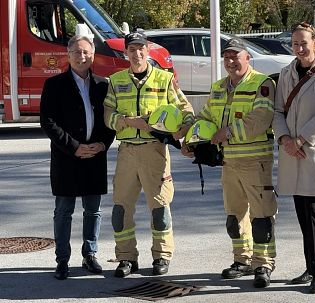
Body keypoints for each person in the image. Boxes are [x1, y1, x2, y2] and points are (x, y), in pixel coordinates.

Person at [182, 38, 277, 288]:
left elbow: (261, 118)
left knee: (262, 216)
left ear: (248, 58)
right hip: (229, 162)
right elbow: (205, 116)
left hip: (255, 160)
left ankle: (263, 263)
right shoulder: (218, 87)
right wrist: (191, 140)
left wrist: (228, 133)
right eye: (227, 57)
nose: (231, 61)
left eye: (236, 56)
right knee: (234, 216)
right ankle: (242, 260)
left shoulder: (262, 84)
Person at [103, 32, 194, 278]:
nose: (137, 53)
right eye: (132, 49)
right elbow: (107, 116)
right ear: (126, 53)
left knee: (159, 208)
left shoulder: (165, 80)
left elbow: (186, 110)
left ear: (147, 51)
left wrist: (181, 130)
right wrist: (127, 121)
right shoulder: (116, 81)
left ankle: (162, 256)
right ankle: (126, 258)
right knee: (121, 209)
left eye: (141, 49)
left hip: (155, 152)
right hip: (127, 153)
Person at [272, 22, 315, 294]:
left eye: (304, 43)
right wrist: (285, 140)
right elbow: (278, 111)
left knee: (313, 212)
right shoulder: (286, 72)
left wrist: (300, 140)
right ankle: (310, 267)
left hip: (312, 150)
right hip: (291, 151)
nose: (299, 48)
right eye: (295, 44)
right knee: (301, 212)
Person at [40, 35, 115, 280]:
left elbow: (110, 120)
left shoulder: (104, 85)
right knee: (63, 211)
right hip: (66, 157)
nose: (81, 56)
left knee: (93, 211)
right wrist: (74, 147)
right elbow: (48, 122)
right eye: (76, 52)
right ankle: (62, 259)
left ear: (93, 54)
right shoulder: (54, 85)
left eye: (86, 52)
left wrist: (102, 144)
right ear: (68, 55)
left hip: (95, 155)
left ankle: (90, 255)